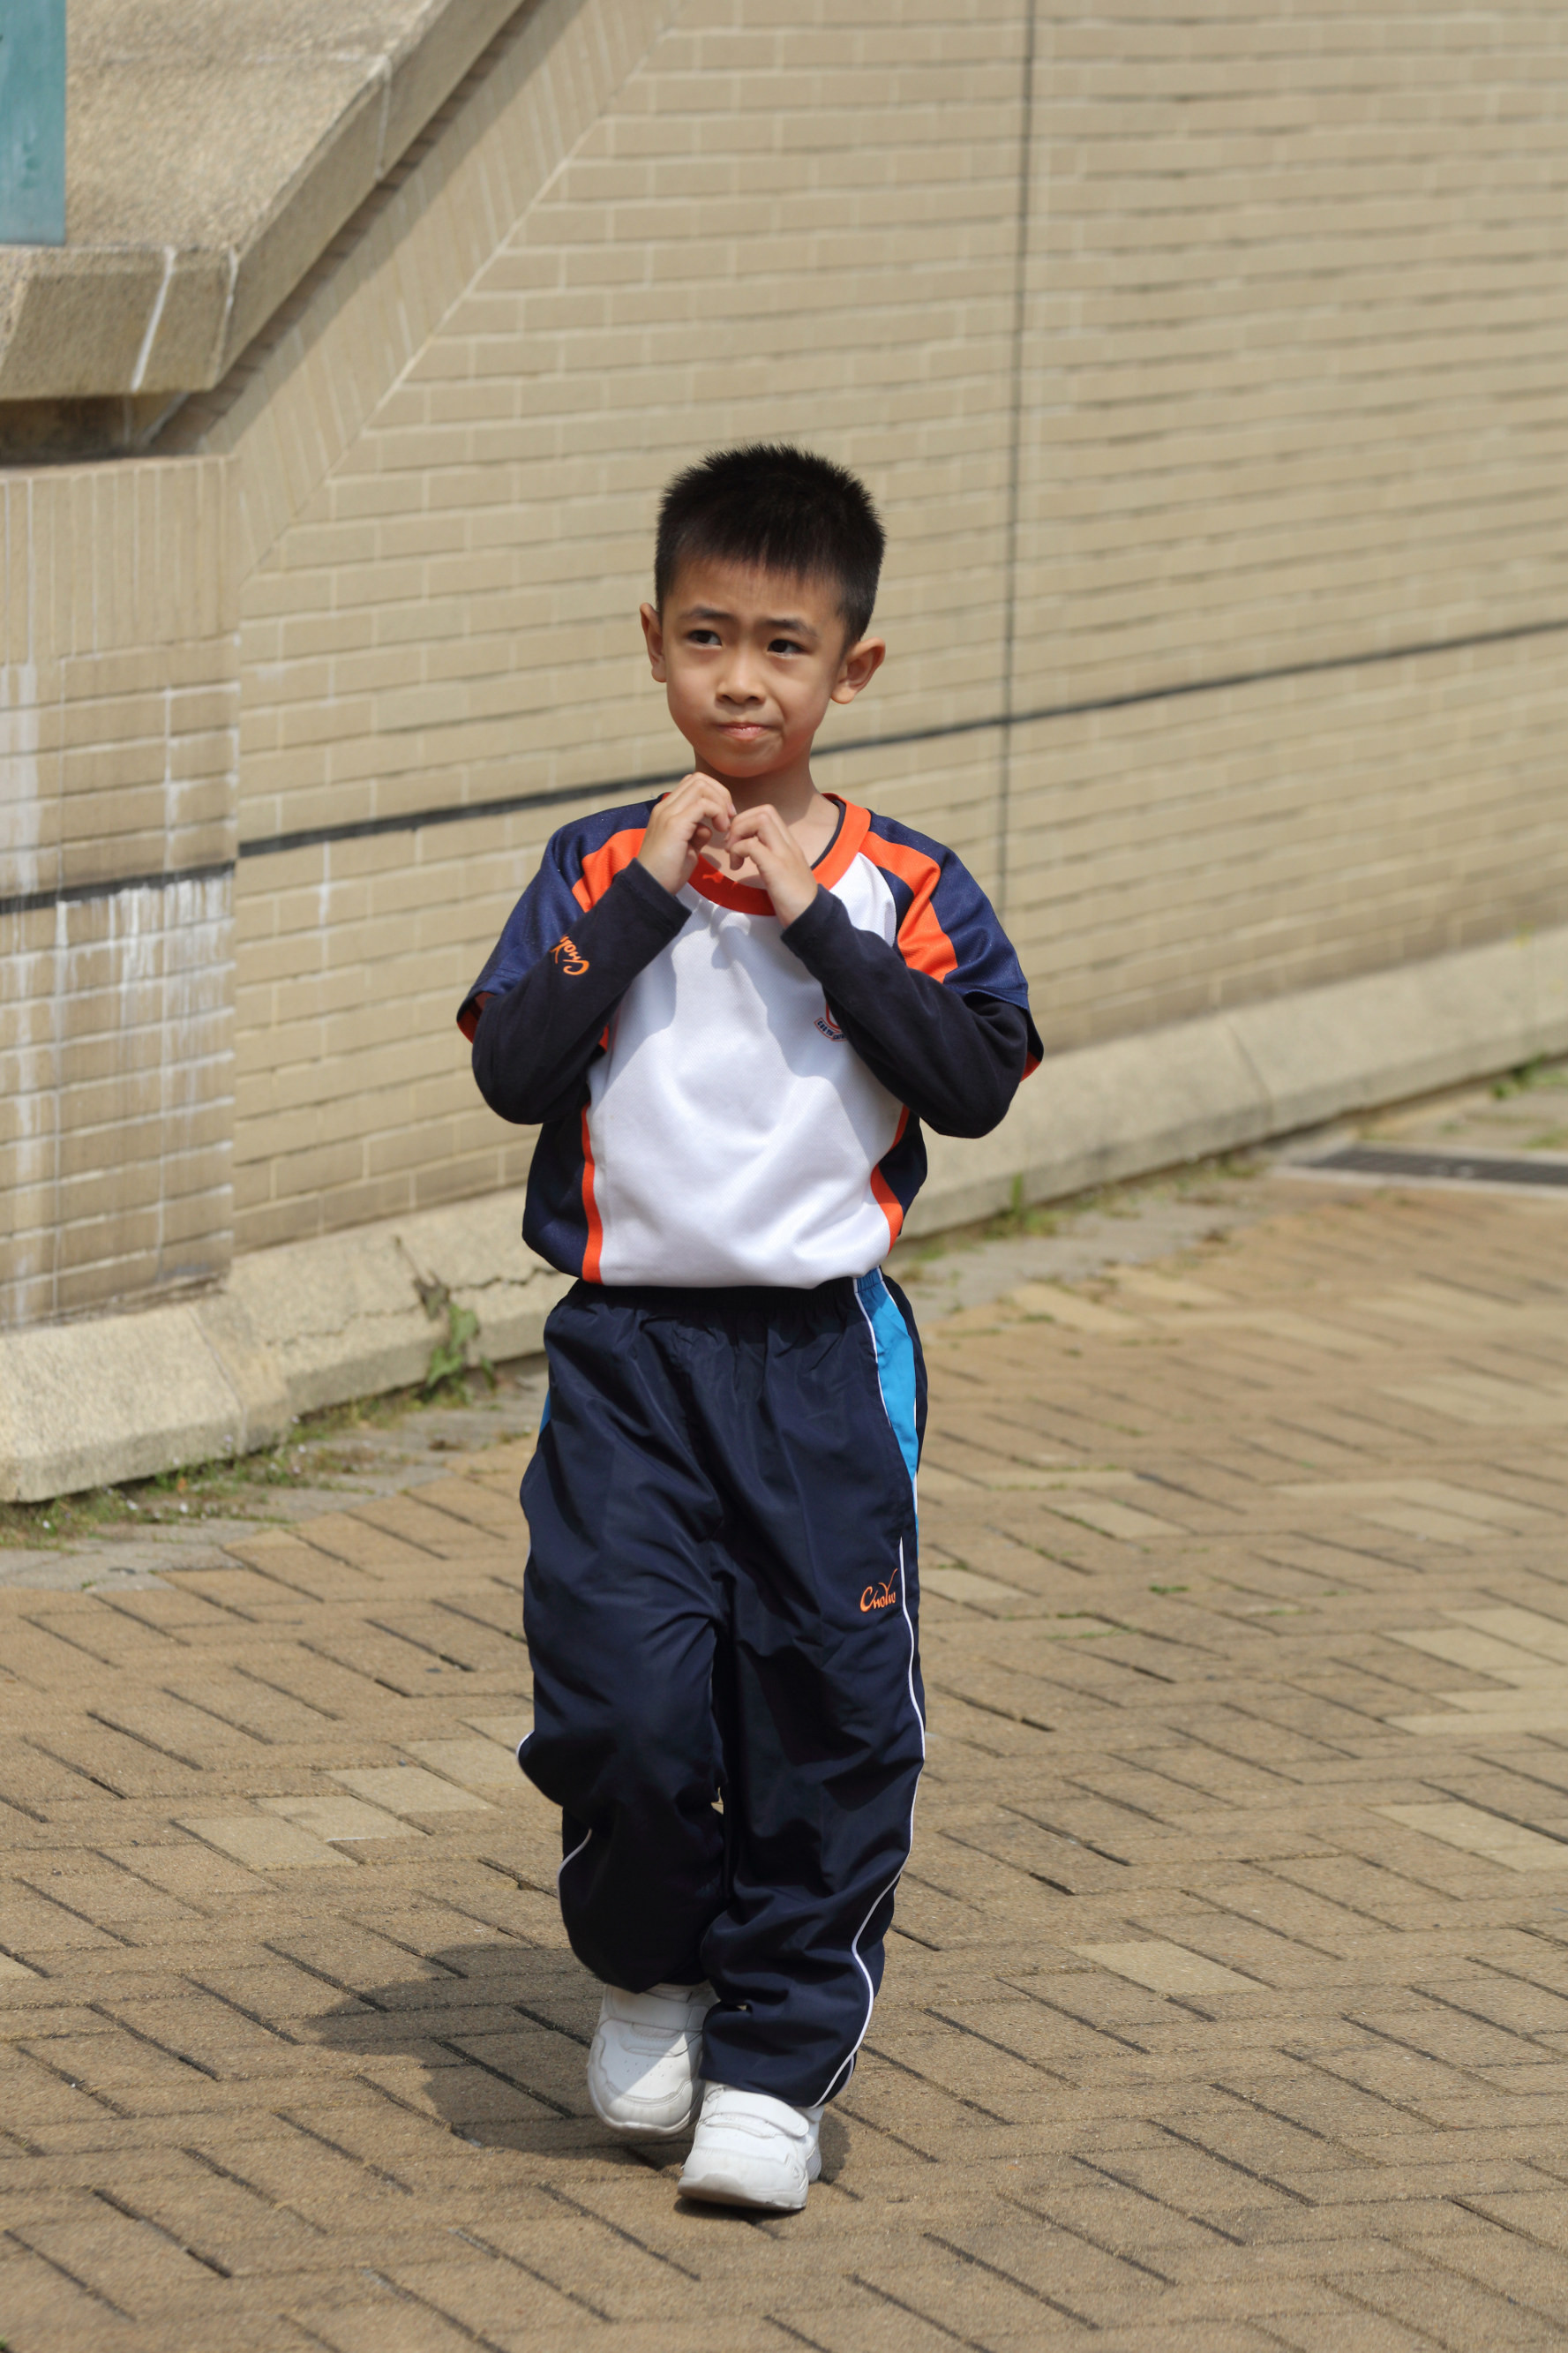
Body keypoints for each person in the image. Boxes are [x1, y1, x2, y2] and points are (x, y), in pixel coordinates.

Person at [458, 443, 1040, 2212]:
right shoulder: (590, 865)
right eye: (705, 636)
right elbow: (512, 1069)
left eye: (783, 646)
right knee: (623, 1707)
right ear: (651, 641)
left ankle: (778, 2054)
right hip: (626, 1365)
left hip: (817, 1372)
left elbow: (974, 1081)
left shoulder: (906, 881)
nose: (740, 679)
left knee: (824, 1718)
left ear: (849, 669)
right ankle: (651, 1970)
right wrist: (647, 895)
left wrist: (809, 920)